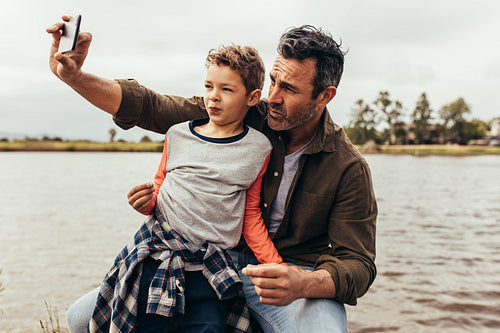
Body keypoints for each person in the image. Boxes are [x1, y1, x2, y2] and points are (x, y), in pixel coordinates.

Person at [48, 17, 377, 333]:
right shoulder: (243, 112)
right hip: (209, 257)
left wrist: (303, 282)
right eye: (273, 81)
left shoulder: (348, 167)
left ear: (324, 96)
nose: (272, 97)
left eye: (288, 89)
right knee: (81, 319)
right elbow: (151, 106)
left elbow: (359, 265)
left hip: (292, 273)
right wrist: (75, 76)